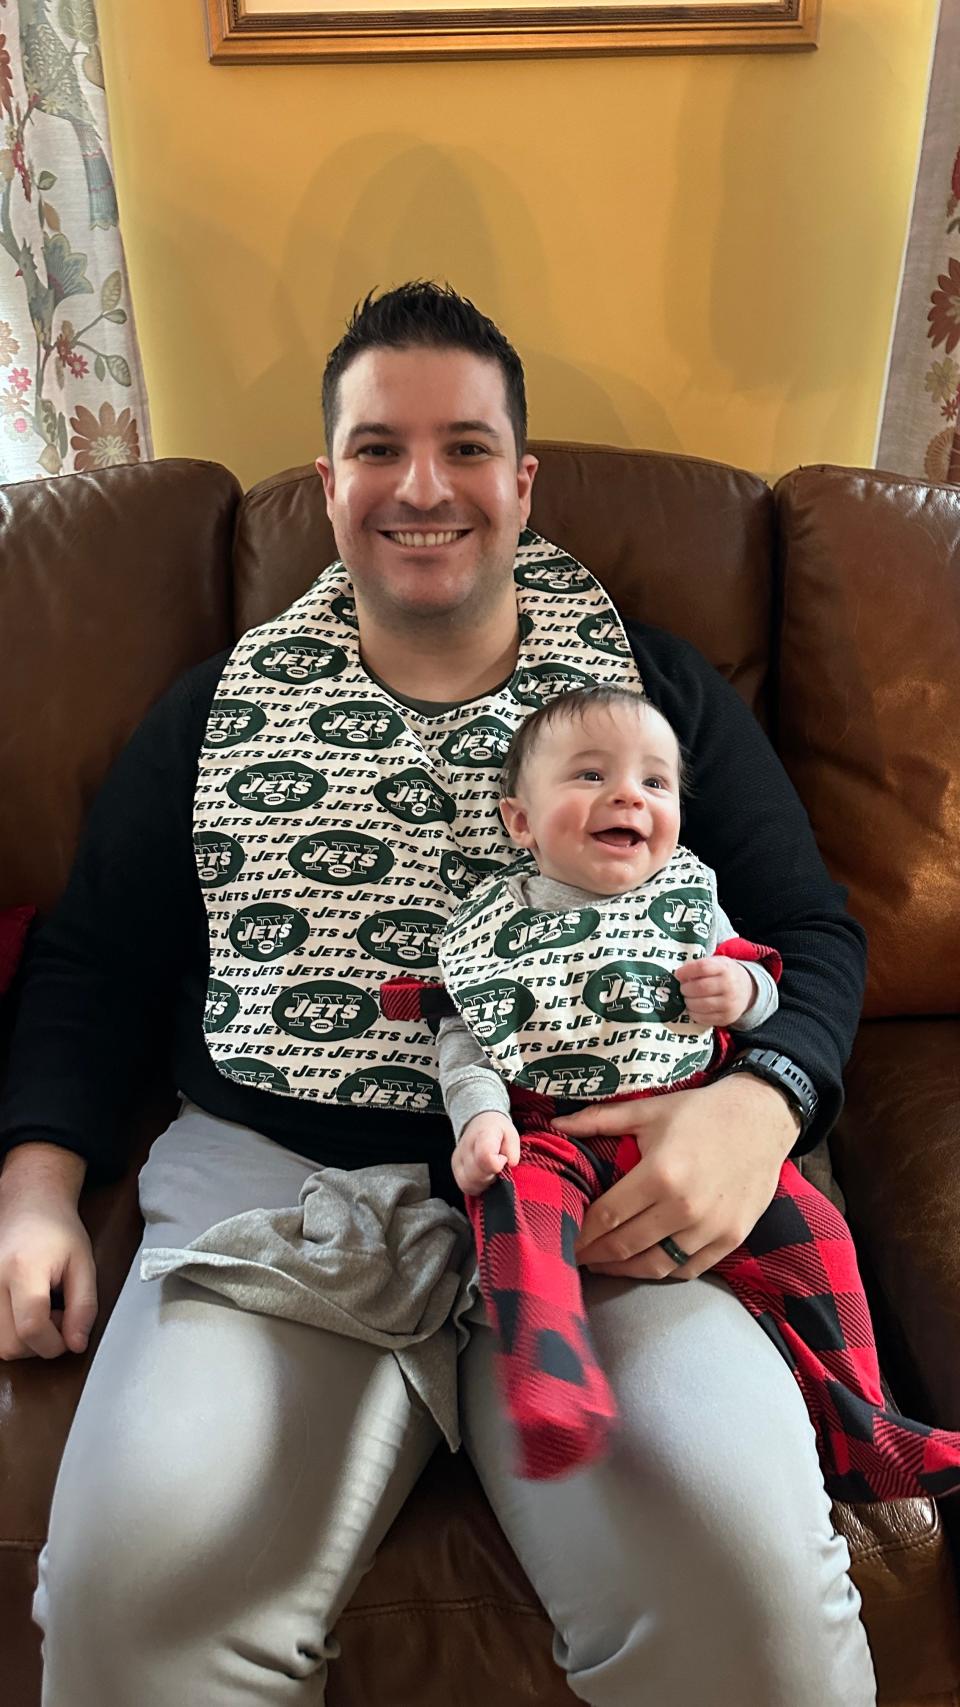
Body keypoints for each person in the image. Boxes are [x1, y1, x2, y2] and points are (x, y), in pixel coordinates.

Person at [0, 281, 879, 1705]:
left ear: (522, 482)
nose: (424, 486)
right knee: (121, 1603)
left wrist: (762, 1105)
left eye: (467, 445)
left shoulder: (659, 698)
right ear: (328, 479)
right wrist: (36, 1188)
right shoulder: (217, 706)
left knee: (758, 1601)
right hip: (277, 1188)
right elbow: (93, 962)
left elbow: (812, 932)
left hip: (600, 1190)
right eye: (377, 448)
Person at [399, 684, 960, 1496]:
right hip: (550, 1135)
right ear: (520, 821)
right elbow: (464, 1038)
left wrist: (741, 993)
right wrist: (479, 1118)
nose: (628, 793)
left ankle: (863, 1428)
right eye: (589, 776)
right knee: (513, 1210)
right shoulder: (493, 923)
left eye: (655, 782)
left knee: (817, 1236)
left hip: (692, 1118)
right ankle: (551, 1383)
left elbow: (764, 975)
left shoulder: (686, 898)